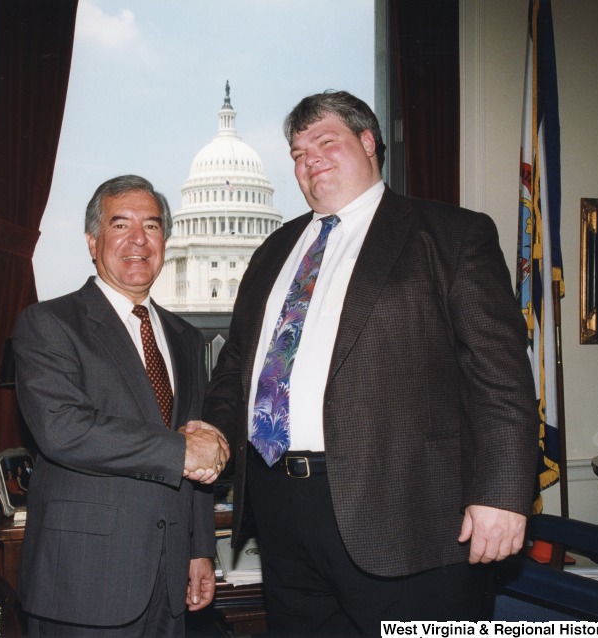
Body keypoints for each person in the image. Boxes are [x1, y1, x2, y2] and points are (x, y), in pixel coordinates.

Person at [202, 91, 537, 635]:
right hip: (281, 509)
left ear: (367, 143)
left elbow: (500, 379)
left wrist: (501, 494)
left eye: (324, 142)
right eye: (297, 152)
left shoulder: (450, 235)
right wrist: (212, 432)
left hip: (406, 514)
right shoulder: (274, 251)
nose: (308, 160)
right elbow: (239, 366)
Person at [12, 175, 229, 636]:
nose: (138, 240)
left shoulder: (186, 339)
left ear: (165, 242)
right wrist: (181, 451)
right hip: (83, 581)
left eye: (151, 226)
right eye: (120, 225)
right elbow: (63, 429)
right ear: (93, 241)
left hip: (169, 583)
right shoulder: (48, 323)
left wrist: (199, 548)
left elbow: (194, 435)